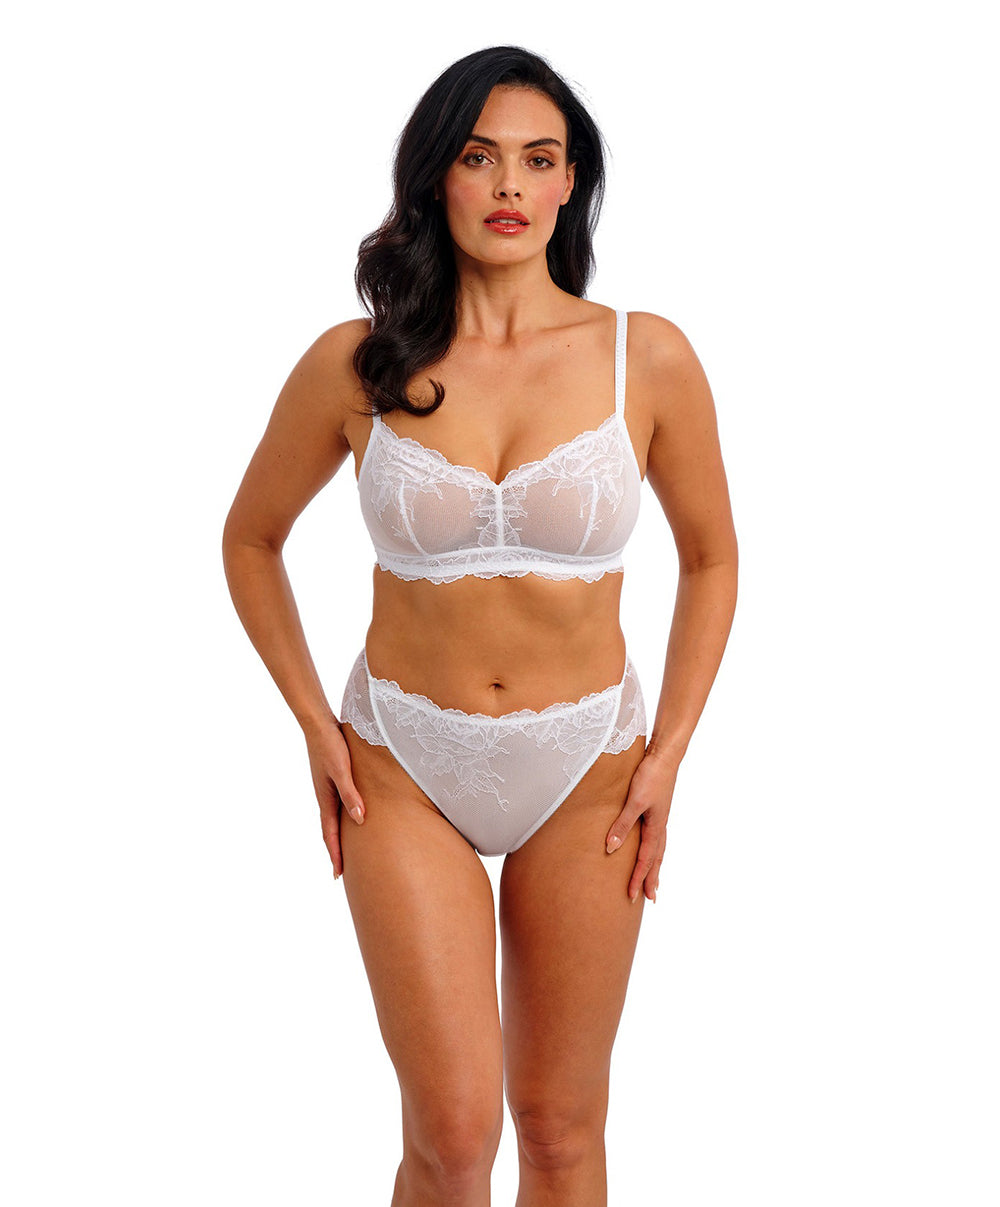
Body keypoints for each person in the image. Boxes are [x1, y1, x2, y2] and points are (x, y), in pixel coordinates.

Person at [222, 44, 738, 1207]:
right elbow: (249, 539)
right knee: (452, 1135)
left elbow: (712, 557)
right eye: (477, 156)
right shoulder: (356, 362)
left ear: (570, 182)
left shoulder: (644, 356)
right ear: (435, 178)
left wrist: (668, 752)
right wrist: (313, 723)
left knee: (559, 1127)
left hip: (590, 764)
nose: (509, 184)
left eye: (538, 159)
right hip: (400, 759)